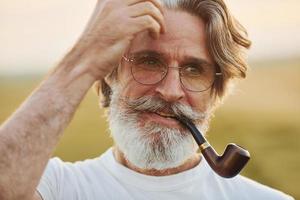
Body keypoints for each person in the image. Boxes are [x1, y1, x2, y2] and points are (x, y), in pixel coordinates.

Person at [0, 0, 294, 199]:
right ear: (109, 75)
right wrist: (83, 60)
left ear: (217, 90)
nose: (170, 91)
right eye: (149, 61)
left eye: (194, 69)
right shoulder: (58, 187)